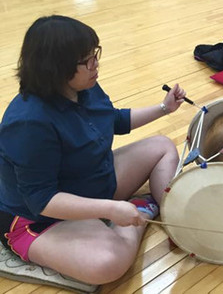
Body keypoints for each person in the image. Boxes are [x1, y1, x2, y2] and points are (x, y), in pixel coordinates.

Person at [0, 15, 187, 285]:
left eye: (95, 54)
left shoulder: (83, 85)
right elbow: (41, 200)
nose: (95, 64)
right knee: (106, 264)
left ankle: (173, 219)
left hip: (89, 182)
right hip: (40, 218)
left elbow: (114, 120)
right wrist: (111, 210)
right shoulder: (29, 122)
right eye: (87, 60)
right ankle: (141, 211)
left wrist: (164, 109)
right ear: (58, 68)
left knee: (161, 146)